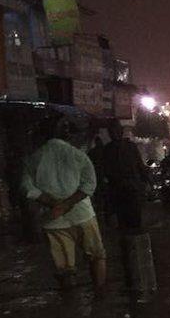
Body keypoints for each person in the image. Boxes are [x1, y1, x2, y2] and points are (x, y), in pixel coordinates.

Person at [20, 115, 107, 290]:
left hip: (53, 220)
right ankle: (100, 294)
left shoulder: (34, 158)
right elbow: (90, 184)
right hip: (83, 214)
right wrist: (66, 204)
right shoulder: (78, 155)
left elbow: (26, 187)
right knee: (97, 256)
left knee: (65, 269)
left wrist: (53, 203)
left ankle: (71, 304)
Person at [100, 120, 151, 232]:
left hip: (129, 189)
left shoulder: (127, 147)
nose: (114, 133)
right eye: (112, 131)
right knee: (125, 222)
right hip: (120, 190)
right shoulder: (109, 149)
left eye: (116, 130)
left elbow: (140, 166)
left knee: (132, 222)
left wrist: (146, 182)